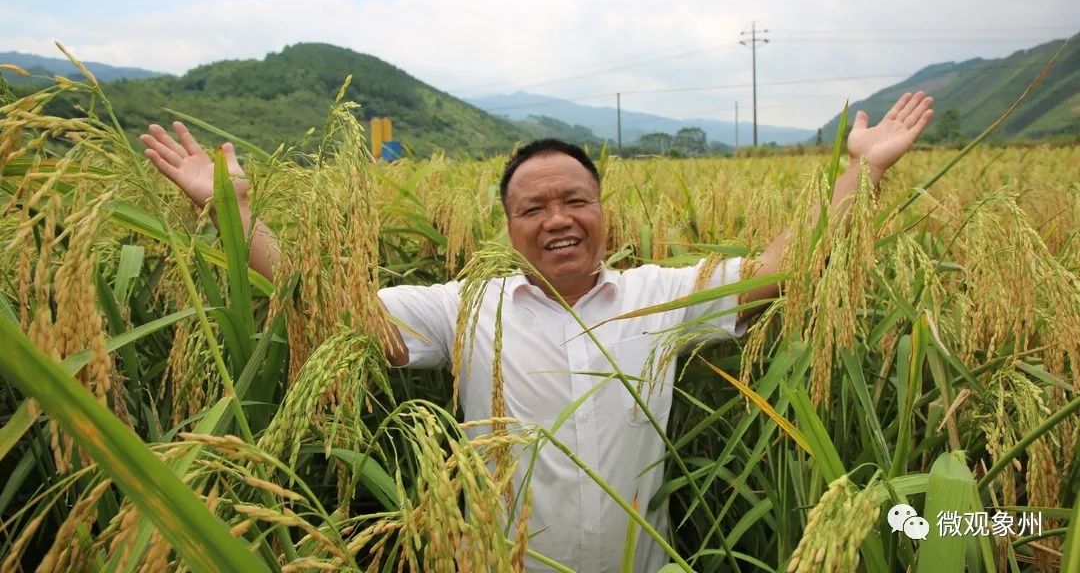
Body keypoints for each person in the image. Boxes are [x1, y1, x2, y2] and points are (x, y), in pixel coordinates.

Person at [140, 91, 934, 572]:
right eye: (534, 208)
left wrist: (863, 172)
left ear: (602, 208)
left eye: (575, 200)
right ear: (510, 226)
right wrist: (233, 208)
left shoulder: (658, 297)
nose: (559, 219)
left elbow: (773, 275)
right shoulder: (466, 308)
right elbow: (336, 304)